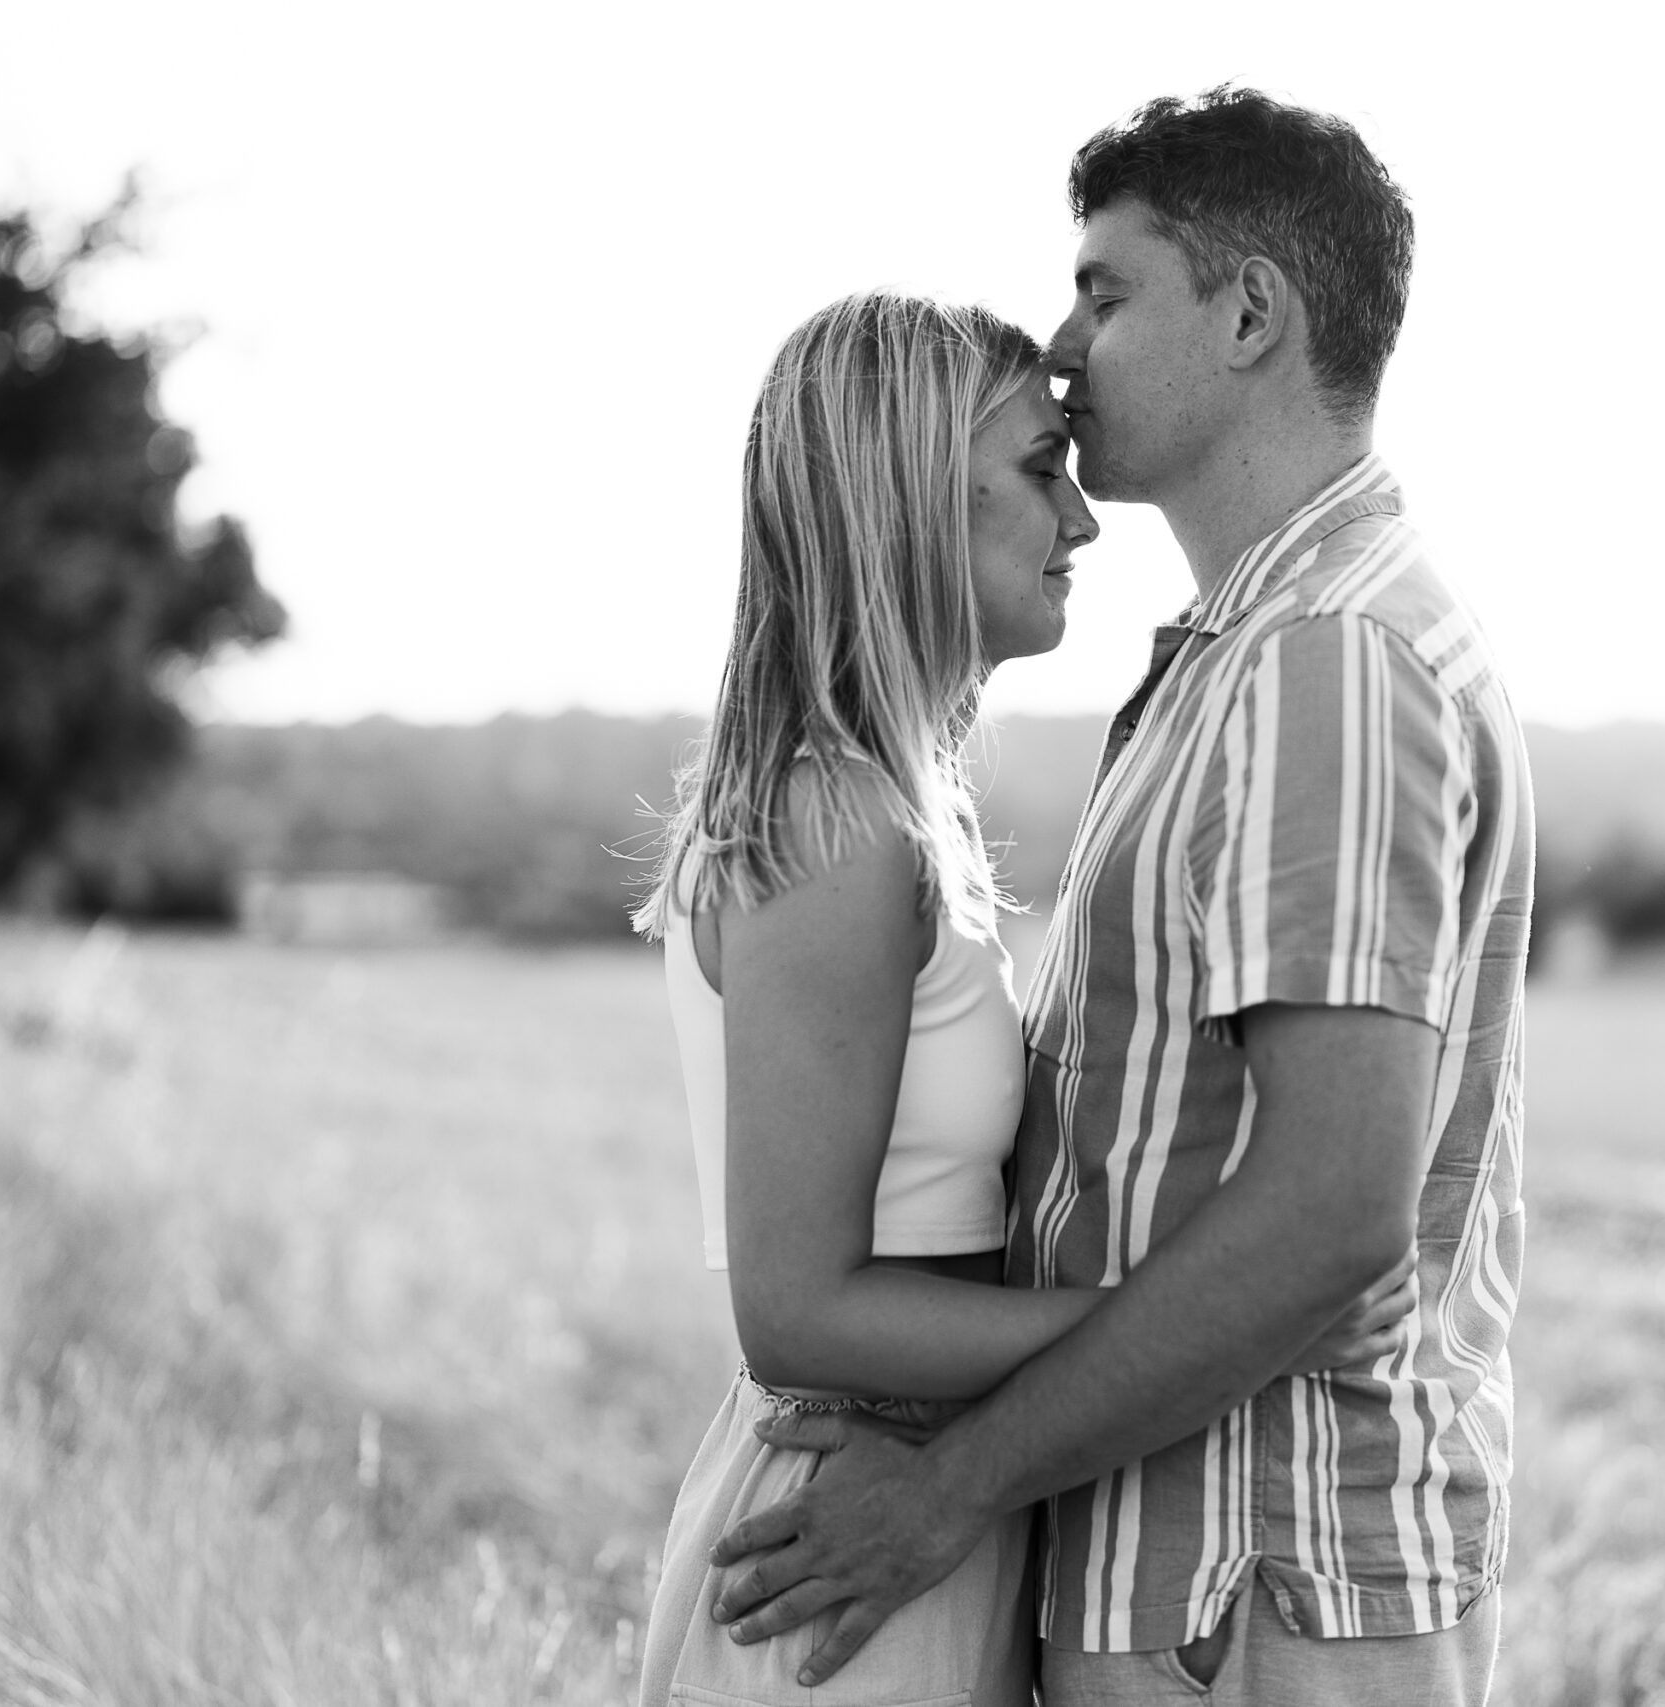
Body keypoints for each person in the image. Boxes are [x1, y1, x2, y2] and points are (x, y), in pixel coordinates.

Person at [705, 90, 1537, 1707]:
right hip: (1179, 1561)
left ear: (1247, 313)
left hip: (1254, 1571)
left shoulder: (1330, 663)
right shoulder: (1253, 653)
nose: (1066, 347)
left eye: (1105, 288)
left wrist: (950, 1483)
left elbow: (1333, 1209)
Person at [633, 290, 1418, 1707]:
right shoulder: (836, 826)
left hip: (920, 1503)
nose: (1084, 518)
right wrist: (1200, 1333)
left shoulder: (877, 808)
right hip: (850, 1526)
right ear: (907, 503)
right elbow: (796, 1310)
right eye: (1039, 471)